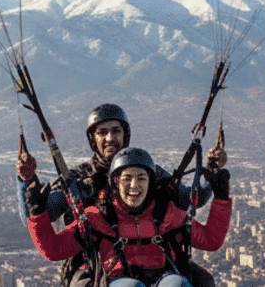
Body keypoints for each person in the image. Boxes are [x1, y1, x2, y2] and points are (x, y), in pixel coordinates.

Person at [16, 104, 220, 287]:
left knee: (201, 280)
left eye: (115, 131)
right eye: (102, 133)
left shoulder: (150, 172)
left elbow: (192, 199)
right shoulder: (79, 179)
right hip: (93, 262)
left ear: (125, 135)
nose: (110, 138)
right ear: (93, 139)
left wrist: (212, 172)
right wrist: (27, 182)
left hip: (151, 260)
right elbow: (37, 214)